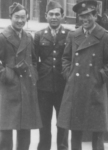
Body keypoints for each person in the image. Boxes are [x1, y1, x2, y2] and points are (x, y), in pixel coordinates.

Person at [57, 0, 108, 150]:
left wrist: (99, 78)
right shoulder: (73, 35)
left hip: (95, 91)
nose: (85, 19)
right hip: (75, 90)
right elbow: (65, 58)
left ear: (95, 15)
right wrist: (68, 74)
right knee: (75, 132)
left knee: (97, 134)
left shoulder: (105, 36)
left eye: (88, 16)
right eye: (82, 16)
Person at [0, 2, 42, 150]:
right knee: (6, 128)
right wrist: (7, 76)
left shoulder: (29, 37)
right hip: (10, 88)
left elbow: (34, 60)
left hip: (27, 87)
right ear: (10, 17)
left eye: (23, 17)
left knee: (25, 128)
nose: (20, 20)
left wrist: (34, 75)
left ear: (27, 18)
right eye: (17, 17)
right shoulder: (1, 37)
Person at [34, 1, 70, 150]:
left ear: (62, 16)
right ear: (45, 16)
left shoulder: (69, 35)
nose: (54, 17)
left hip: (63, 86)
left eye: (57, 14)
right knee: (44, 123)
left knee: (63, 123)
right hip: (44, 86)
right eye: (51, 14)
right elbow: (34, 60)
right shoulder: (39, 35)